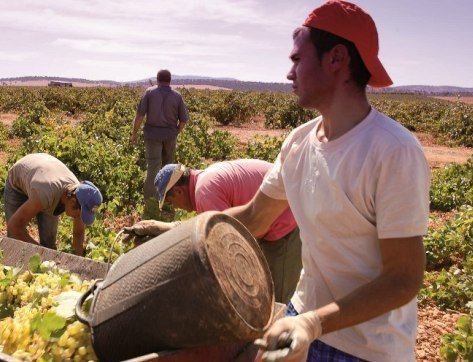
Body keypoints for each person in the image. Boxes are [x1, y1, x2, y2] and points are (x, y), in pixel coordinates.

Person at [229, 1, 430, 361]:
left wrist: (314, 324)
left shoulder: (393, 151)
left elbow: (404, 278)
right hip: (302, 318)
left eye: (296, 60)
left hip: (364, 349)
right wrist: (182, 235)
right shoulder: (299, 142)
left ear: (336, 59)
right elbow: (256, 215)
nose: (289, 73)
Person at [126, 160, 302, 304]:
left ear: (179, 191)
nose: (176, 207)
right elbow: (204, 226)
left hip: (285, 222)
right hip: (276, 216)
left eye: (171, 202)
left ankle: (295, 344)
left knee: (276, 300)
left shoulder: (204, 193)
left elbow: (226, 241)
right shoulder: (205, 180)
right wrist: (160, 228)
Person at [4, 153, 103, 255]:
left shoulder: (80, 196)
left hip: (44, 176)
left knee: (49, 243)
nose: (78, 218)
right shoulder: (45, 194)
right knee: (15, 242)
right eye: (78, 215)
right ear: (72, 202)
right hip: (19, 180)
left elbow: (78, 233)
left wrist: (79, 259)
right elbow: (14, 226)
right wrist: (42, 254)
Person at [130, 69, 189, 206]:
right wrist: (175, 132)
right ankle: (168, 200)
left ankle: (150, 202)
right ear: (170, 80)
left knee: (153, 168)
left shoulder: (149, 93)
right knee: (169, 167)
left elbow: (140, 116)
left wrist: (134, 132)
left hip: (152, 136)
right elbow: (184, 120)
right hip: (170, 135)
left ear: (157, 79)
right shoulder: (177, 96)